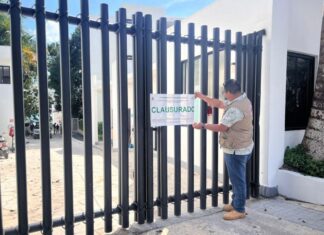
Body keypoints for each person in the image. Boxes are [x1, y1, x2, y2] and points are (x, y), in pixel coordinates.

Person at [193, 79, 254, 221]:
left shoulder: (235, 109)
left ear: (229, 92)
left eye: (224, 92)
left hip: (236, 150)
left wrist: (202, 125)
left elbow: (222, 127)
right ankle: (236, 203)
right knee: (237, 178)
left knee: (238, 180)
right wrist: (202, 96)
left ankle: (239, 209)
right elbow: (220, 103)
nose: (224, 95)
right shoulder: (242, 100)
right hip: (244, 146)